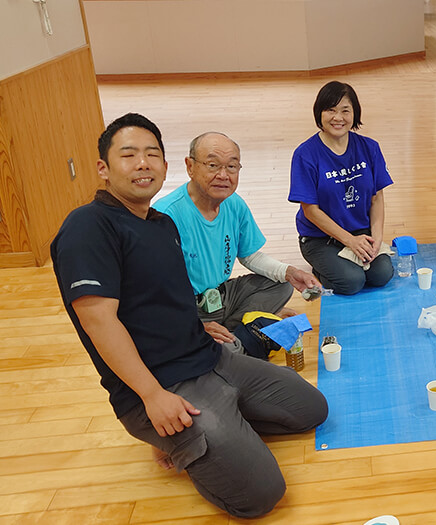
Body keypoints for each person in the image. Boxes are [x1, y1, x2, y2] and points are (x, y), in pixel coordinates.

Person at [51, 113, 328, 518]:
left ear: (165, 166)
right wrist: (151, 397)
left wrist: (199, 324)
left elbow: (169, 298)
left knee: (312, 409)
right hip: (163, 385)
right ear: (103, 168)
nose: (143, 163)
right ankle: (188, 439)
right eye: (129, 155)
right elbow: (98, 321)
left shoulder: (160, 224)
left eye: (152, 154)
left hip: (211, 358)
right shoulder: (88, 226)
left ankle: (226, 425)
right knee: (262, 495)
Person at [155, 132, 320, 354]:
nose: (223, 175)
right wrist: (194, 325)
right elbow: (157, 292)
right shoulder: (166, 216)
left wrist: (290, 273)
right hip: (185, 308)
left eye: (231, 166)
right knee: (226, 350)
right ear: (190, 166)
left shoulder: (233, 204)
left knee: (280, 284)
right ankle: (236, 339)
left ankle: (229, 338)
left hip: (221, 296)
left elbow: (249, 255)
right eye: (213, 165)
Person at [289, 81, 394, 295]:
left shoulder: (370, 147)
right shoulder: (305, 154)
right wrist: (350, 241)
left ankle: (346, 262)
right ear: (319, 113)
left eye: (345, 110)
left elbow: (376, 198)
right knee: (352, 281)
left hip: (360, 232)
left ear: (355, 113)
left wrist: (377, 238)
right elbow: (310, 211)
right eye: (331, 110)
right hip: (320, 239)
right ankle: (321, 268)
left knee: (381, 274)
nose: (338, 118)